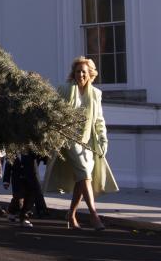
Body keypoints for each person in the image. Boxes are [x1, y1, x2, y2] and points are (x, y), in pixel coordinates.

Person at [44, 56, 119, 230]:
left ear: (90, 74)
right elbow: (55, 113)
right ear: (73, 73)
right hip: (69, 139)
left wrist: (103, 139)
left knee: (82, 179)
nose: (80, 75)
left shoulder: (96, 94)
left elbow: (99, 120)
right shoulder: (64, 89)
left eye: (84, 72)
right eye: (77, 71)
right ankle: (94, 215)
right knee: (84, 172)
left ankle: (71, 214)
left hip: (87, 141)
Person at [3, 152, 43, 228]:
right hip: (17, 179)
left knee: (30, 198)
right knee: (18, 198)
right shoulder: (12, 150)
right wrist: (6, 180)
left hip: (30, 178)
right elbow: (8, 166)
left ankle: (24, 217)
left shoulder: (32, 149)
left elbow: (39, 155)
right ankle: (11, 211)